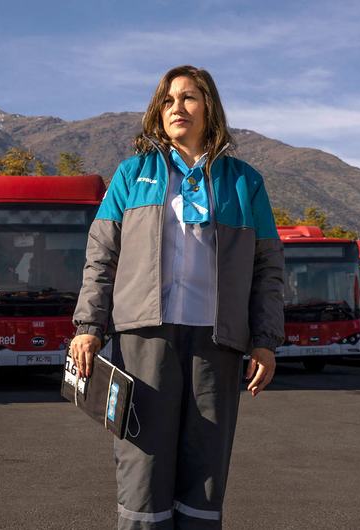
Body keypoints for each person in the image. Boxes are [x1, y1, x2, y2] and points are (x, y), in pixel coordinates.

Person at [69, 65, 285, 529]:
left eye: (188, 98)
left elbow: (268, 269)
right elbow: (101, 257)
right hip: (144, 340)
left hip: (218, 344)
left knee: (206, 472)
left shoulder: (245, 182)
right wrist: (88, 327)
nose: (177, 108)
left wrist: (265, 340)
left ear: (209, 108)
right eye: (168, 101)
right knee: (142, 465)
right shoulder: (132, 175)